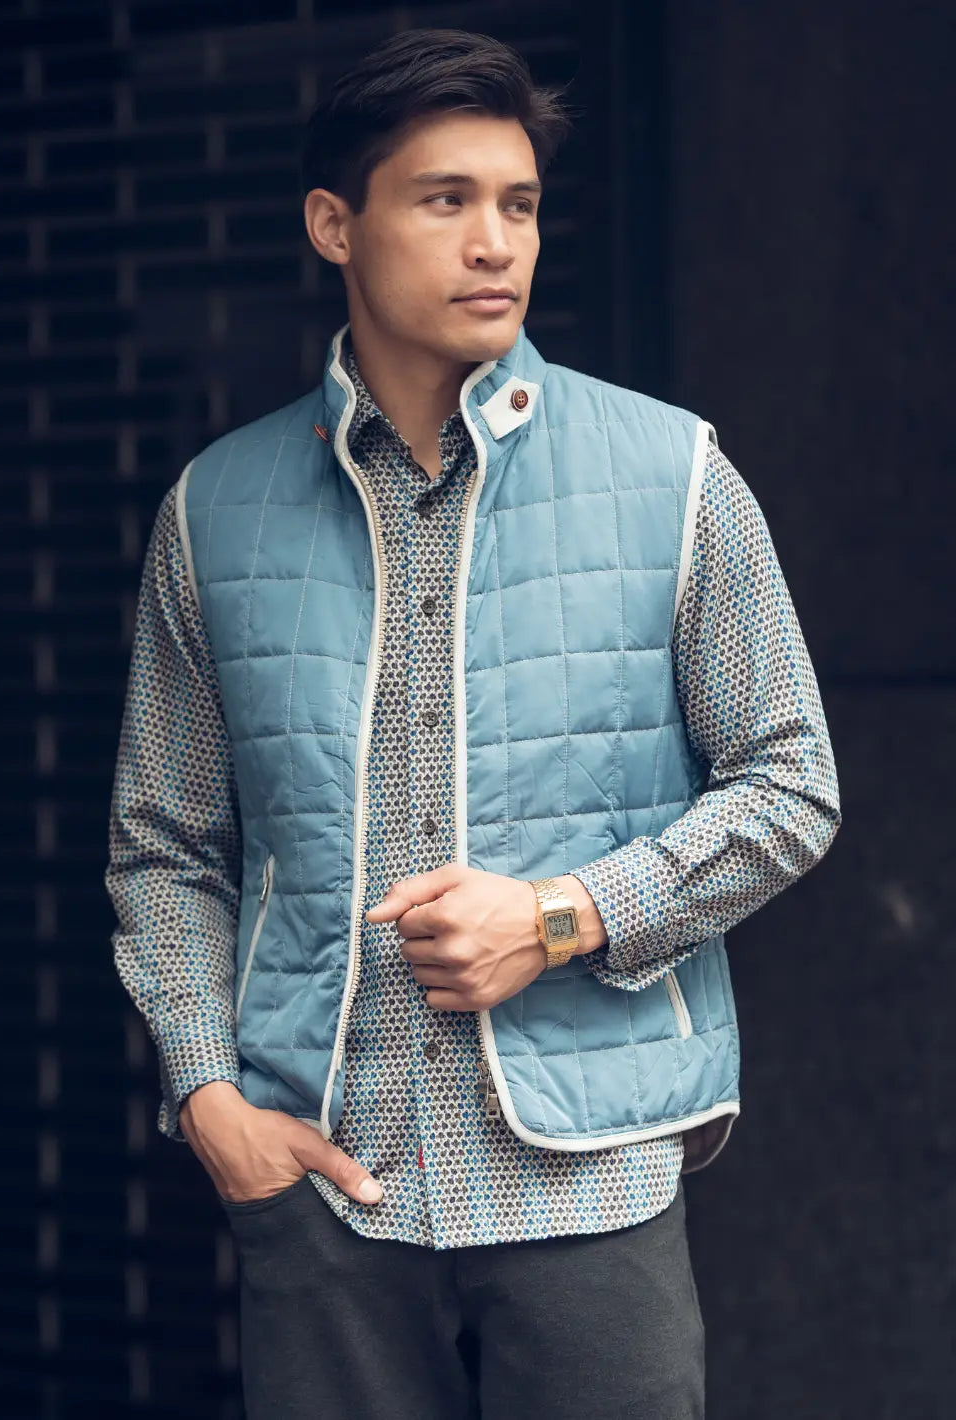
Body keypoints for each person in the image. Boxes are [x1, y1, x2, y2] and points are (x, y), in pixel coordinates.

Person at [104, 26, 840, 1420]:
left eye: (519, 204)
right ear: (335, 225)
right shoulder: (214, 510)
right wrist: (207, 1097)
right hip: (324, 1189)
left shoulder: (673, 473)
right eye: (445, 201)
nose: (495, 243)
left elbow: (791, 784)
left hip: (589, 1177)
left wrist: (562, 917)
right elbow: (165, 844)